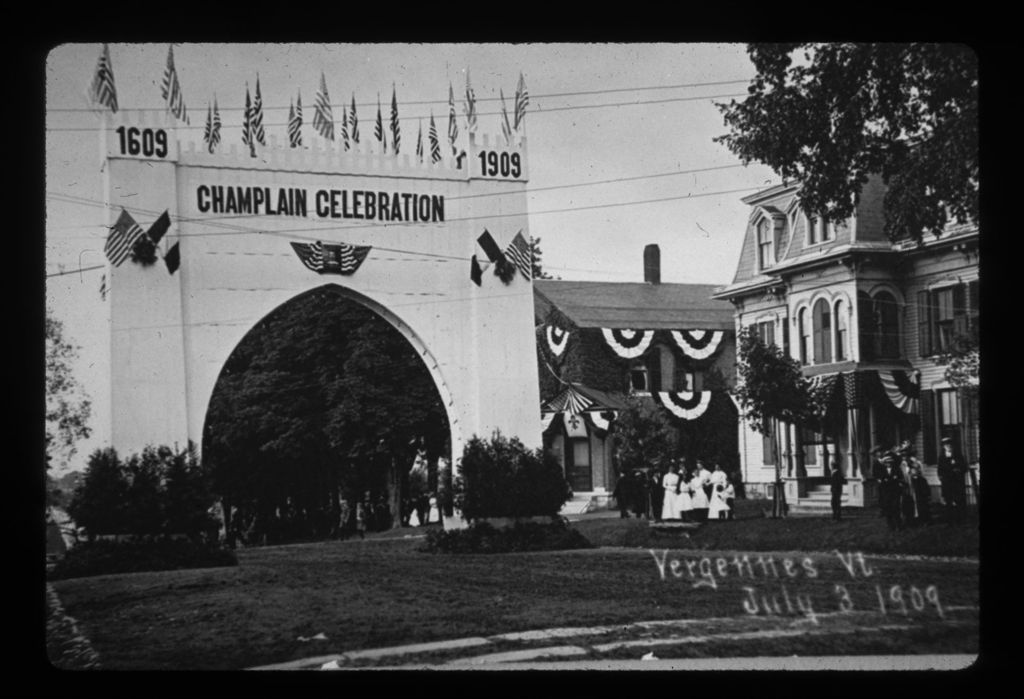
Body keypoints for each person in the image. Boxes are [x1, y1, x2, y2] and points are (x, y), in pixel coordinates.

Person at [937, 436, 968, 522]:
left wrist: (959, 470)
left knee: (958, 500)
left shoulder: (958, 455)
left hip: (957, 482)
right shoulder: (941, 457)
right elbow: (939, 470)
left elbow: (964, 468)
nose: (948, 446)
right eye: (946, 445)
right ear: (943, 446)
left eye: (949, 445)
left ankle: (960, 519)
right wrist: (942, 478)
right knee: (948, 500)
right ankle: (949, 520)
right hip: (947, 483)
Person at [878, 452, 903, 530]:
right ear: (885, 463)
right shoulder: (882, 470)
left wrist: (895, 479)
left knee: (896, 508)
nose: (889, 464)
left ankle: (899, 525)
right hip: (886, 492)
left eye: (890, 462)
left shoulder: (896, 469)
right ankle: (890, 525)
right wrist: (886, 480)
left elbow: (900, 477)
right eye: (887, 462)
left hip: (895, 491)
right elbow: (881, 479)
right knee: (888, 508)